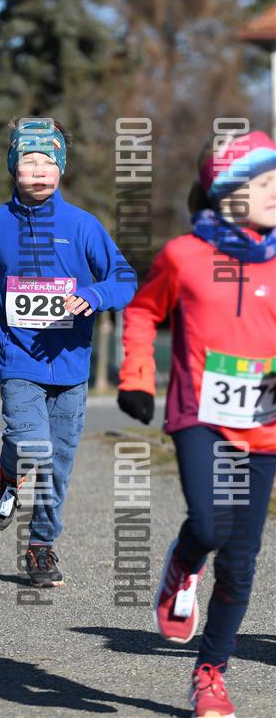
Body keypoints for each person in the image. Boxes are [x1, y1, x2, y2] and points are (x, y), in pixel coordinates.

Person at [118, 129, 276, 718]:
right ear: (228, 193)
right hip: (200, 416)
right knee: (209, 527)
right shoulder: (183, 255)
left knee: (239, 563)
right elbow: (142, 311)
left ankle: (210, 674)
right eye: (264, 183)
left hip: (264, 426)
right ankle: (184, 562)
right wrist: (137, 376)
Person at [0, 118, 137, 586]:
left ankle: (41, 546)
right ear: (13, 166)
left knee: (58, 463)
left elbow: (124, 278)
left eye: (48, 161)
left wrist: (95, 295)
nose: (39, 170)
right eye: (29, 161)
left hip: (71, 363)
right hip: (18, 356)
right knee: (31, 443)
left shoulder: (82, 225)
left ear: (61, 167)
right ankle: (8, 475)